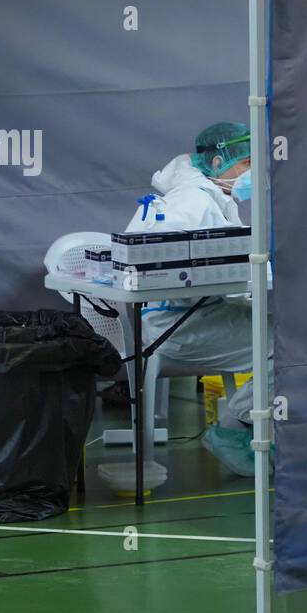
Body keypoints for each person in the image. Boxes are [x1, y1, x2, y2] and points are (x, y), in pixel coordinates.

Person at [122, 121, 262, 477]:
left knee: (283, 332)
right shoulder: (191, 202)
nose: (252, 171)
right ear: (218, 164)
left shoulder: (207, 196)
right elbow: (158, 267)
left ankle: (246, 425)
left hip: (190, 316)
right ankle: (233, 427)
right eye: (246, 163)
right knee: (290, 347)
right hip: (177, 328)